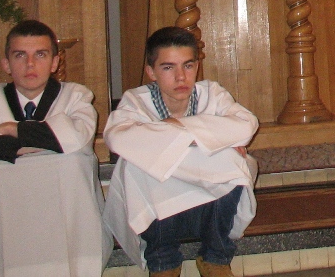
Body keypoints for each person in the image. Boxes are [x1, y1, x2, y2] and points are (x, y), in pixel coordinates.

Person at [0, 19, 110, 276]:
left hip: (65, 222)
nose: (30, 64)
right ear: (6, 64)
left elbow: (77, 137)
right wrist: (39, 144)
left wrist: (13, 130)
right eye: (20, 55)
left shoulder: (75, 96)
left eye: (40, 55)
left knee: (72, 162)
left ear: (55, 62)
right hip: (4, 226)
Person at [104, 27, 257, 277]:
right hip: (162, 209)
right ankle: (163, 261)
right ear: (151, 71)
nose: (180, 77)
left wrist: (175, 127)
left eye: (188, 66)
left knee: (234, 161)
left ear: (197, 66)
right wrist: (206, 137)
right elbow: (117, 137)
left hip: (208, 205)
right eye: (168, 67)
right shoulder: (137, 100)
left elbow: (246, 125)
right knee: (137, 165)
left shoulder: (211, 94)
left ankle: (215, 257)